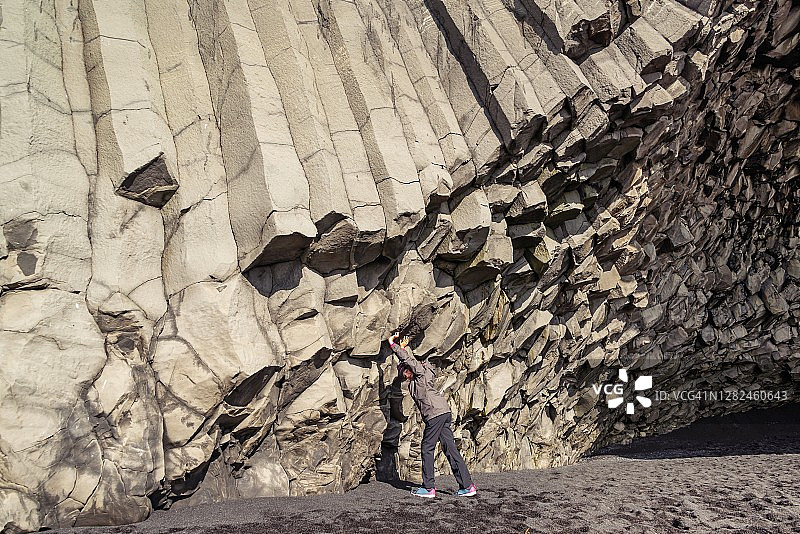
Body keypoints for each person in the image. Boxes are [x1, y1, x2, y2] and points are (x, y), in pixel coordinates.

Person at [388, 332, 477, 498]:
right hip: (443, 412)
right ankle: (467, 486)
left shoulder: (420, 375)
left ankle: (428, 488)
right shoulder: (423, 375)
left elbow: (410, 362)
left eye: (404, 372)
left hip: (435, 415)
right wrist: (404, 348)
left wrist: (394, 346)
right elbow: (410, 362)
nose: (404, 376)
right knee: (450, 449)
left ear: (410, 370)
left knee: (426, 448)